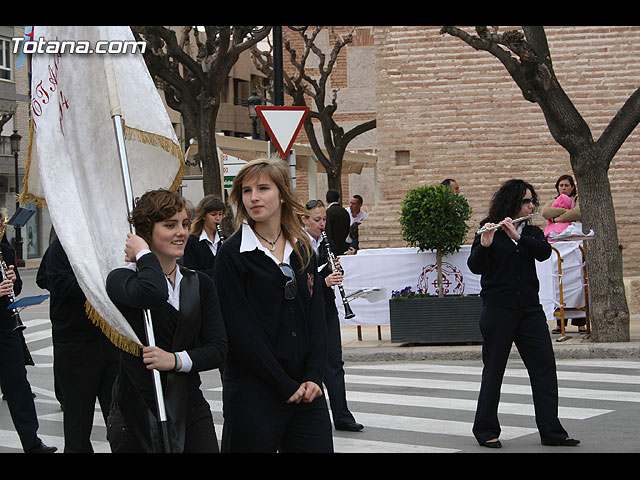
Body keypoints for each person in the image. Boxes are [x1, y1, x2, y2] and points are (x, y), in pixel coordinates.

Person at [214, 157, 333, 453]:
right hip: (254, 392)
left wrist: (313, 376)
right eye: (246, 190)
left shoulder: (303, 248)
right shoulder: (231, 255)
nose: (253, 197)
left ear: (281, 194)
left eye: (263, 188)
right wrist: (283, 384)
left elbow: (316, 318)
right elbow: (242, 331)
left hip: (306, 393)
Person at [105, 189, 227, 453]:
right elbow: (152, 292)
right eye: (170, 225)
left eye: (185, 224)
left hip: (189, 405)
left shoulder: (200, 284)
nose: (181, 232)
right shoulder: (120, 280)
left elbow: (218, 349)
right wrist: (144, 255)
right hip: (138, 410)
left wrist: (175, 360)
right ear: (147, 231)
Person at [467, 179, 580, 449]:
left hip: (529, 310)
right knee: (494, 370)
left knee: (544, 369)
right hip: (498, 309)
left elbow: (543, 254)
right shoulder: (489, 228)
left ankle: (552, 432)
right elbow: (476, 267)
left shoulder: (531, 232)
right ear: (512, 202)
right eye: (526, 201)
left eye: (531, 201)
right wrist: (484, 244)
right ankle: (486, 430)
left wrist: (518, 237)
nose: (531, 205)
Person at [37, 236, 119, 453]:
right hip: (76, 342)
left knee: (120, 416)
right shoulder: (63, 245)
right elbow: (55, 281)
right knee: (78, 422)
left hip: (111, 340)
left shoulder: (107, 240)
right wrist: (102, 285)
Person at [301, 199, 363, 432]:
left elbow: (324, 272)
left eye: (324, 219)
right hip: (305, 312)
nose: (322, 224)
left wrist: (334, 269)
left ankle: (342, 416)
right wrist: (324, 280)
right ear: (304, 220)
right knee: (308, 364)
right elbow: (298, 280)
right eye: (317, 220)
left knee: (335, 362)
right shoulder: (297, 245)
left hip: (326, 308)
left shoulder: (327, 242)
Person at [0, 236, 56, 453]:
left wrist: (13, 281)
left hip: (6, 327)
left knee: (18, 385)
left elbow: (19, 288)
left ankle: (32, 442)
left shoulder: (4, 250)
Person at [541, 174, 586, 334]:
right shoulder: (554, 200)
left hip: (573, 247)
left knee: (577, 284)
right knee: (560, 284)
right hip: (558, 248)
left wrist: (558, 218)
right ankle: (560, 323)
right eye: (561, 185)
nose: (564, 188)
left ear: (572, 187)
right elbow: (546, 212)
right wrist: (565, 210)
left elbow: (578, 213)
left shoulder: (580, 198)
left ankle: (581, 322)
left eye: (567, 185)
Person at [182, 195, 226, 278]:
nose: (218, 218)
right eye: (213, 215)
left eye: (220, 214)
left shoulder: (225, 240)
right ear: (203, 216)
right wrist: (218, 272)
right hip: (203, 289)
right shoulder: (192, 242)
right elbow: (190, 273)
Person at [325, 189, 350, 255]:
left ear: (326, 200)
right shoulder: (344, 211)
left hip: (331, 247)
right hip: (343, 245)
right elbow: (347, 228)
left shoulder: (328, 212)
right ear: (338, 199)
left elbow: (328, 230)